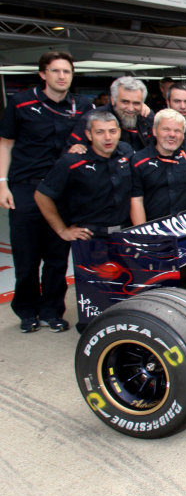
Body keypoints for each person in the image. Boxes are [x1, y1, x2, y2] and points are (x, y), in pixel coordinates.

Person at [0, 51, 93, 332]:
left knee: (56, 257)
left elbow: (98, 137)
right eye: (55, 71)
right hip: (27, 187)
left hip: (65, 191)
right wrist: (2, 183)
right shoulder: (20, 103)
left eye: (66, 71)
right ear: (43, 74)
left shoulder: (84, 106)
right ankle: (27, 311)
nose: (61, 76)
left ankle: (52, 310)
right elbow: (5, 144)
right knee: (26, 257)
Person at [34, 111, 134, 242]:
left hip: (124, 234)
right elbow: (41, 195)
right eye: (100, 132)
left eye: (112, 131)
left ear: (119, 132)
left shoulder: (127, 152)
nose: (108, 137)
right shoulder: (72, 162)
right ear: (89, 134)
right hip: (90, 237)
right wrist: (62, 230)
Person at [71, 76, 153, 151]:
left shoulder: (147, 117)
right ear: (113, 100)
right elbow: (70, 151)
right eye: (125, 102)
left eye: (136, 103)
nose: (130, 108)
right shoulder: (92, 119)